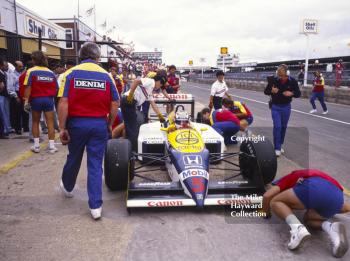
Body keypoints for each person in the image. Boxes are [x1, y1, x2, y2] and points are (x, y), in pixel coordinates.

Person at [57, 42, 119, 220]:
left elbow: (63, 102)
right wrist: (109, 123)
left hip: (77, 124)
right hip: (98, 124)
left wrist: (62, 127)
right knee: (95, 164)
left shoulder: (70, 74)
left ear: (80, 56)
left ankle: (68, 187)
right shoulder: (107, 76)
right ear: (98, 58)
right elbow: (115, 103)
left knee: (74, 157)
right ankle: (96, 206)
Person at [262, 169, 350, 257]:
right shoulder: (310, 174)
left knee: (275, 202)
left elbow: (267, 196)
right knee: (308, 220)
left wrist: (266, 212)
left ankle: (297, 228)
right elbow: (345, 208)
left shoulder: (292, 176)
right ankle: (331, 227)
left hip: (315, 186)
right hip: (338, 196)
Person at [121, 70, 167, 150]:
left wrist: (160, 116)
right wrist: (131, 94)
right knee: (133, 129)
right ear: (159, 81)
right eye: (160, 85)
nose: (159, 87)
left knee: (130, 127)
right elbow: (136, 81)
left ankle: (126, 149)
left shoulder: (149, 90)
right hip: (129, 101)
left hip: (130, 102)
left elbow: (153, 104)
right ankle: (131, 151)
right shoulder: (151, 81)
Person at [23, 51, 58, 153]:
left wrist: (26, 101)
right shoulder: (50, 72)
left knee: (35, 122)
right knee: (50, 123)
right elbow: (56, 89)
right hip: (48, 100)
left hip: (36, 99)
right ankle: (52, 146)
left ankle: (37, 146)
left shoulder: (31, 71)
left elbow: (28, 87)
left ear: (34, 60)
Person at [264, 64, 301, 157]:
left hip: (286, 107)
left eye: (281, 75)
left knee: (283, 127)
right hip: (275, 107)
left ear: (287, 73)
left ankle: (279, 145)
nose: (280, 77)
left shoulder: (293, 81)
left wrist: (291, 93)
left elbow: (298, 93)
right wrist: (271, 91)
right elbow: (266, 92)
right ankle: (277, 148)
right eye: (278, 74)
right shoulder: (274, 80)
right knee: (277, 127)